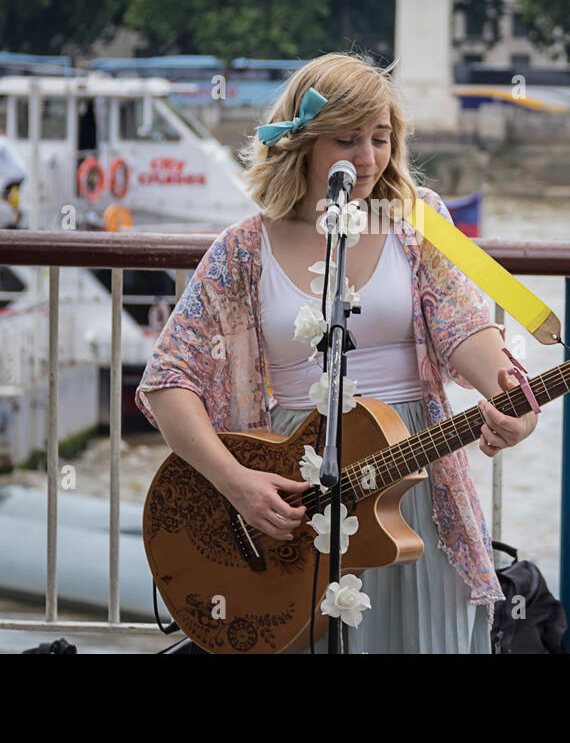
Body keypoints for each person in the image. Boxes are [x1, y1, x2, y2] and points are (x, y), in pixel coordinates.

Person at [136, 53, 539, 654]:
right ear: (301, 144)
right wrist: (238, 484)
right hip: (289, 496)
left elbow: (467, 329)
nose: (370, 158)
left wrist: (515, 401)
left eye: (381, 139)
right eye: (347, 139)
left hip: (415, 483)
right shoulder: (242, 249)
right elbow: (169, 381)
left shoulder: (420, 220)